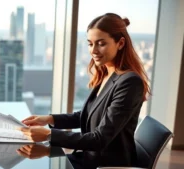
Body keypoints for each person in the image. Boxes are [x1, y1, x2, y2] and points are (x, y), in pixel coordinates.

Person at [16, 13, 151, 166]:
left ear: (120, 43)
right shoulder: (107, 74)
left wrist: (49, 135)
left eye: (101, 43)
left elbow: (99, 139)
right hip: (88, 157)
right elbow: (87, 115)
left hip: (106, 165)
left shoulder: (130, 83)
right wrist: (49, 119)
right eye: (90, 43)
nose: (93, 51)